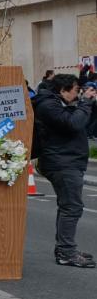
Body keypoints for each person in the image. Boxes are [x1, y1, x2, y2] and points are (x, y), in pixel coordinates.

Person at [32, 73, 96, 268]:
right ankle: (66, 252)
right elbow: (73, 124)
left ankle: (65, 249)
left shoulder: (58, 103)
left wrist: (88, 104)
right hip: (61, 162)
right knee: (72, 207)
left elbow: (83, 123)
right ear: (62, 90)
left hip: (67, 161)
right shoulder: (48, 105)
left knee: (68, 206)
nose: (78, 95)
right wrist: (85, 103)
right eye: (76, 91)